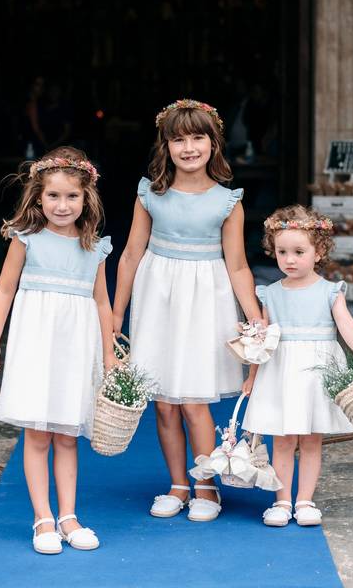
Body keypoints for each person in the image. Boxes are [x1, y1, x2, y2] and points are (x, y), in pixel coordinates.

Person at [111, 99, 261, 522]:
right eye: (179, 139)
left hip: (204, 299)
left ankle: (205, 485)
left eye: (198, 138)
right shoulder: (150, 194)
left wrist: (255, 319)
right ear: (166, 145)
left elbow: (237, 265)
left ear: (214, 144)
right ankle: (177, 484)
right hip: (159, 296)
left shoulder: (228, 202)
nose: (189, 147)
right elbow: (130, 256)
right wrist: (115, 314)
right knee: (163, 401)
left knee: (194, 399)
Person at [0, 146, 117, 555]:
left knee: (67, 435)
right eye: (53, 196)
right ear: (38, 197)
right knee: (37, 433)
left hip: (76, 346)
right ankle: (43, 517)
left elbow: (101, 302)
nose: (62, 205)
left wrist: (109, 352)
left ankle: (69, 515)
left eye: (71, 196)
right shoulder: (28, 240)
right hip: (36, 344)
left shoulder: (95, 247)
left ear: (86, 197)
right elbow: (4, 289)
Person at [242, 205, 353, 528]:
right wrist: (252, 376)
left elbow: (348, 326)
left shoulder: (329, 291)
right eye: (281, 252)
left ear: (318, 252)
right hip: (280, 373)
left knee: (310, 440)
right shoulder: (271, 294)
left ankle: (304, 500)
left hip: (314, 374)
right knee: (282, 438)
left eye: (298, 251)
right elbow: (262, 342)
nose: (289, 259)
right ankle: (281, 500)